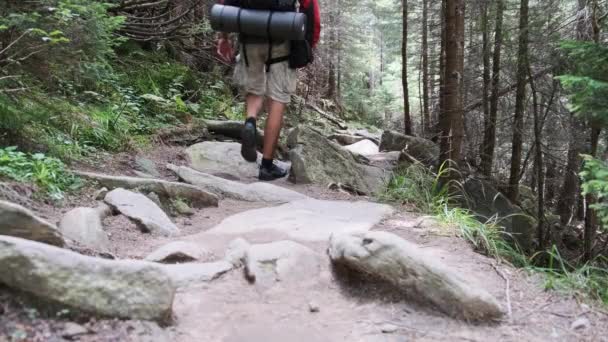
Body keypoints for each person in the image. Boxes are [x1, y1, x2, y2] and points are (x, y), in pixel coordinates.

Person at [216, 0, 320, 181]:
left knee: (254, 90)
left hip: (250, 36)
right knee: (277, 99)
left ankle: (250, 121)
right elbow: (311, 9)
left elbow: (225, 3)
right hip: (282, 38)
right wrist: (308, 44)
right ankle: (267, 165)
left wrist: (224, 37)